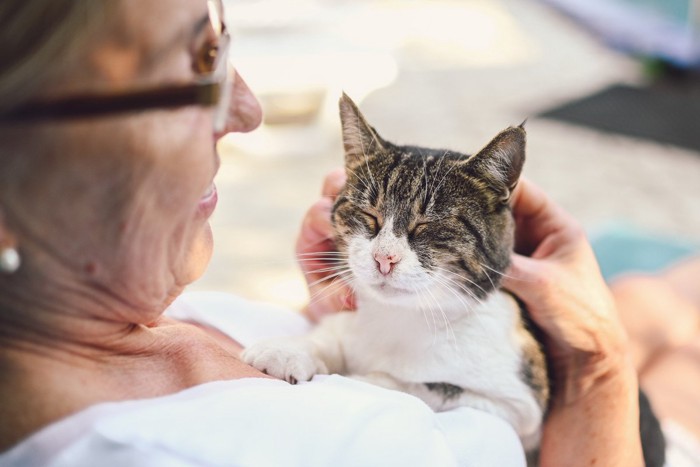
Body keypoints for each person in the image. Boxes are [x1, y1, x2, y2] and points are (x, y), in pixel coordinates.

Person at [0, 0, 688, 465]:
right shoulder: (165, 448)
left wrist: (333, 306)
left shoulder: (107, 310)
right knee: (673, 333)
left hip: (449, 336)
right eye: (199, 66)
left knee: (655, 298)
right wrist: (599, 360)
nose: (249, 108)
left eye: (224, 47)